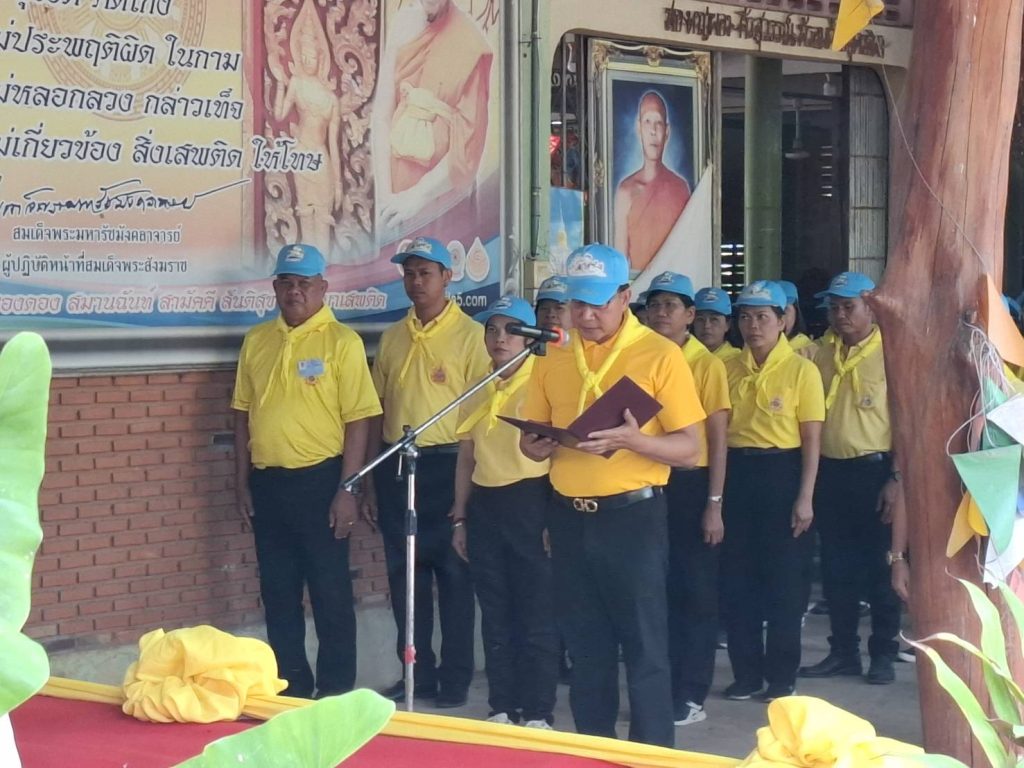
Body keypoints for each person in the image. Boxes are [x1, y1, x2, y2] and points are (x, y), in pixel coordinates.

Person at [520, 243, 705, 748]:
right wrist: (533, 445)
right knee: (586, 648)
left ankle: (651, 755)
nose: (586, 315)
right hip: (568, 517)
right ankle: (594, 750)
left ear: (625, 297)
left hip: (632, 519)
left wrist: (634, 441)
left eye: (598, 303)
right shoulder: (553, 353)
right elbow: (532, 439)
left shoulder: (659, 355)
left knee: (645, 648)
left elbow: (691, 450)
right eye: (577, 303)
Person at [232, 243, 382, 698]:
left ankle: (336, 690)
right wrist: (241, 482)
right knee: (278, 592)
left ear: (323, 288)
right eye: (286, 282)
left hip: (323, 483)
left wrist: (349, 489)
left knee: (329, 591)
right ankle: (291, 686)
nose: (294, 291)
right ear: (275, 287)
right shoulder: (257, 340)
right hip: (268, 484)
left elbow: (359, 420)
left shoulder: (342, 342)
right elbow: (241, 414)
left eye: (304, 283)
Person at [362, 236, 491, 707]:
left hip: (449, 465)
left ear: (447, 277)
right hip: (400, 465)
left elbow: (481, 414)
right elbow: (377, 407)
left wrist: (467, 490)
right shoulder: (394, 336)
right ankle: (417, 673)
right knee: (405, 578)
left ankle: (455, 679)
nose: (416, 282)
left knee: (454, 576)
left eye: (426, 273)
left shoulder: (472, 336)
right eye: (410, 273)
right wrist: (372, 479)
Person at [450, 296, 559, 729]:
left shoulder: (545, 382)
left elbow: (561, 457)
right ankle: (501, 705)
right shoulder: (478, 384)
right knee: (495, 611)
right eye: (492, 330)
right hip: (486, 503)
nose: (500, 338)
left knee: (536, 612)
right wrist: (460, 516)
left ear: (530, 337)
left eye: (512, 330)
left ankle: (538, 709)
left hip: (533, 501)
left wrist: (555, 518)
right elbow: (466, 456)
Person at [721, 280, 824, 702]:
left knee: (784, 583)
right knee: (738, 579)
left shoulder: (802, 370)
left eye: (763, 317)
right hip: (737, 473)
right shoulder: (728, 368)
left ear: (783, 321)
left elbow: (812, 438)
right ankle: (746, 674)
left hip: (783, 472)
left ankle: (782, 677)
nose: (753, 326)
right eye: (745, 317)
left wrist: (806, 496)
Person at [799, 272, 903, 686]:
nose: (840, 315)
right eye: (834, 307)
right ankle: (843, 652)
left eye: (848, 307)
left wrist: (896, 477)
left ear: (871, 308)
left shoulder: (892, 354)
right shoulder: (820, 355)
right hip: (830, 472)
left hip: (875, 472)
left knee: (880, 568)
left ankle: (883, 654)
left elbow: (907, 424)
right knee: (837, 569)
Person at [642, 271, 730, 727]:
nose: (661, 314)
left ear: (690, 315)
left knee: (693, 591)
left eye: (670, 306)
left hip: (692, 484)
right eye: (654, 305)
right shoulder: (641, 356)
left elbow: (717, 438)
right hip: (648, 483)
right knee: (654, 591)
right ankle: (661, 688)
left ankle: (692, 693)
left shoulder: (705, 365)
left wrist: (714, 502)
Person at [373, 0, 494, 237]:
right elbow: (381, 116)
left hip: (441, 199)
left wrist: (416, 197)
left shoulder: (469, 41)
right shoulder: (402, 25)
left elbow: (468, 148)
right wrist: (386, 197)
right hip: (395, 193)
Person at [271, 0, 343, 260]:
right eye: (303, 55)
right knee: (305, 217)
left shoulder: (331, 99)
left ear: (320, 57)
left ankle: (322, 273)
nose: (306, 60)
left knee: (322, 218)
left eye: (311, 56)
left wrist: (338, 184)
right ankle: (307, 272)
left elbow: (333, 145)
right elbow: (279, 115)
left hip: (321, 159)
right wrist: (281, 84)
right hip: (302, 155)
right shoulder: (297, 83)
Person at [613, 91, 692, 273]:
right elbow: (620, 260)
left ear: (667, 131)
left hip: (673, 284)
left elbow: (688, 250)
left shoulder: (680, 188)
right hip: (636, 286)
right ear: (639, 128)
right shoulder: (626, 191)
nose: (653, 131)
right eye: (647, 122)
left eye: (658, 123)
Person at [693, 287, 741, 362]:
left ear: (727, 324)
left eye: (714, 319)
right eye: (700, 319)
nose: (706, 326)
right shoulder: (684, 356)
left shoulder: (737, 360)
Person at [778, 280, 818, 360]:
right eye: (773, 311)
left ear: (796, 311)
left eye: (784, 309)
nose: (779, 317)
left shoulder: (811, 352)